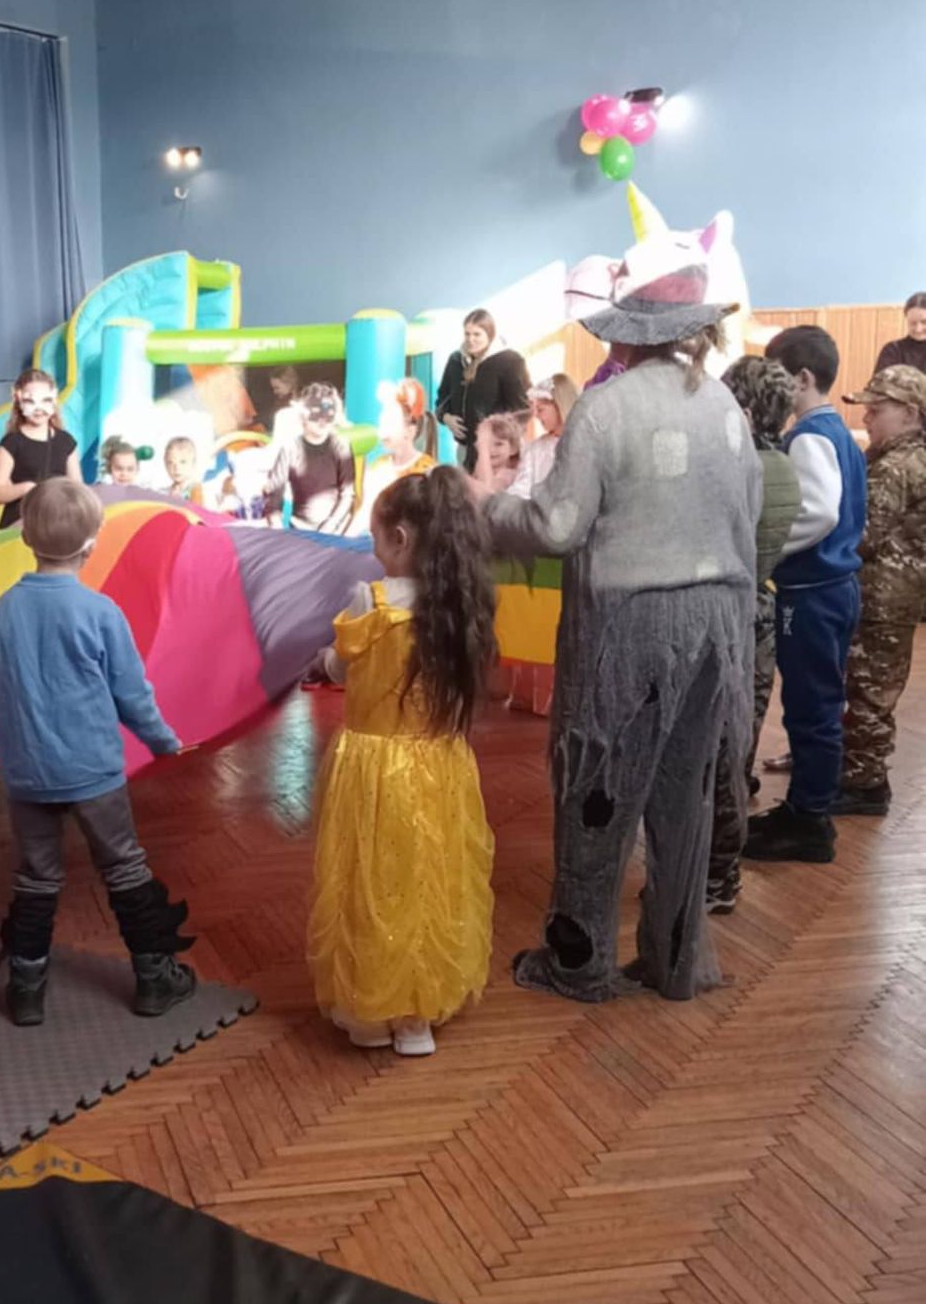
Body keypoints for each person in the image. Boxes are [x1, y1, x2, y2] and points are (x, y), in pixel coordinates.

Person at [479, 263, 761, 1003]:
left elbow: (558, 527)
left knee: (596, 793)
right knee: (685, 794)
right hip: (717, 626)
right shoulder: (724, 404)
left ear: (626, 334)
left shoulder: (606, 408)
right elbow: (749, 513)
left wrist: (490, 506)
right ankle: (675, 959)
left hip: (629, 627)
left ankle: (579, 962)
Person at [0, 479, 194, 1027]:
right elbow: (131, 693)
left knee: (36, 876)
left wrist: (10, 752)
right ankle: (154, 978)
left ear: (25, 538)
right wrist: (163, 739)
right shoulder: (100, 611)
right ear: (92, 544)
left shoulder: (5, 608)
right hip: (93, 770)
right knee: (124, 865)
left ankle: (25, 988)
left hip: (27, 772)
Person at [307, 470, 496, 1058]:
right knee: (428, 883)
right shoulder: (460, 604)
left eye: (375, 538)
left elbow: (341, 668)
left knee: (370, 882)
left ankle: (368, 1013)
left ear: (401, 538)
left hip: (373, 768)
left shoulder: (372, 600)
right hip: (440, 769)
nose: (372, 549)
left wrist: (323, 658)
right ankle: (417, 1019)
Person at [745, 327, 868, 865]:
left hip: (813, 590)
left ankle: (809, 820)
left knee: (811, 706)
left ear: (802, 378)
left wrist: (765, 549)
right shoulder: (835, 430)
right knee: (814, 702)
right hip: (829, 586)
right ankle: (805, 808)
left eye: (779, 377)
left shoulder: (810, 435)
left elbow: (819, 513)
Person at [705, 358, 802, 913]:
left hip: (727, 618)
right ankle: (724, 874)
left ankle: (711, 877)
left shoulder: (741, 470)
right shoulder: (783, 464)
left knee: (716, 757)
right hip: (760, 613)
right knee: (736, 754)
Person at [830, 366, 926, 818]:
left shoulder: (897, 467)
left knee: (869, 689)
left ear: (910, 413)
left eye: (877, 409)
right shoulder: (901, 457)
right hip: (890, 595)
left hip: (882, 597)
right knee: (870, 685)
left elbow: (863, 535)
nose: (867, 418)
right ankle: (855, 769)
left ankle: (864, 782)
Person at [434, 310, 530, 472]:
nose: (470, 339)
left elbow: (521, 410)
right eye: (467, 334)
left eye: (477, 334)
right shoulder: (456, 361)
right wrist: (445, 417)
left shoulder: (509, 361)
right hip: (464, 451)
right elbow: (442, 399)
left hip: (496, 453)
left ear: (490, 334)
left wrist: (497, 438)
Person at [0, 368, 81, 530]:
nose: (38, 409)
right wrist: (25, 489)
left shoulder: (66, 442)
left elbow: (77, 488)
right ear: (19, 400)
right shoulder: (11, 443)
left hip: (57, 523)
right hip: (20, 523)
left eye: (45, 400)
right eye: (30, 401)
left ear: (53, 400)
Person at [262, 383, 355, 533]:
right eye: (315, 413)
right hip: (299, 529)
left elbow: (347, 494)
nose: (322, 420)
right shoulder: (290, 448)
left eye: (328, 414)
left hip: (336, 530)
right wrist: (276, 525)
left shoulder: (340, 446)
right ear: (302, 417)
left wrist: (330, 526)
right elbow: (275, 494)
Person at [350, 379, 436, 533]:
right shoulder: (378, 466)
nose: (383, 430)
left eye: (390, 423)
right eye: (382, 422)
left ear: (410, 431)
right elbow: (364, 513)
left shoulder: (427, 470)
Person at [511, 375, 579, 500]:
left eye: (540, 410)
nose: (536, 415)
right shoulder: (536, 449)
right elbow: (522, 487)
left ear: (559, 406)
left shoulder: (585, 444)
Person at [874, 293, 926, 376]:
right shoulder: (893, 350)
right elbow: (880, 382)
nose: (918, 329)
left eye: (924, 322)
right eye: (913, 323)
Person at [163, 436, 203, 504]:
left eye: (183, 462)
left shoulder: (196, 489)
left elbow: (198, 509)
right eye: (170, 462)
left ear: (193, 463)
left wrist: (177, 500)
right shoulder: (166, 492)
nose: (176, 468)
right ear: (165, 464)